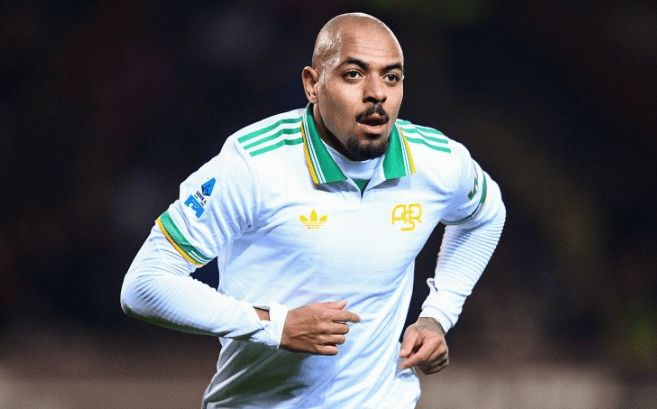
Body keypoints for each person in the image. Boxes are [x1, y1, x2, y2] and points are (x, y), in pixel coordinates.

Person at [121, 12, 505, 409]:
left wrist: (438, 315)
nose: (377, 93)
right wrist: (275, 325)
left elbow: (487, 215)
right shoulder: (254, 163)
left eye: (391, 77)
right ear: (312, 84)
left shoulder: (437, 160)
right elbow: (144, 284)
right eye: (354, 74)